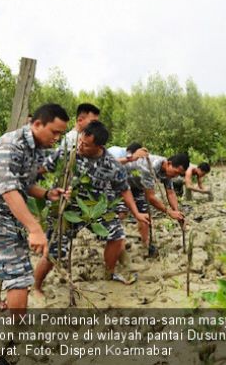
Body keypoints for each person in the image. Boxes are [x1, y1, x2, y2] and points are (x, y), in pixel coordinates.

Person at [0, 104, 70, 312]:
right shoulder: (9, 145)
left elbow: (25, 185)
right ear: (38, 124)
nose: (57, 138)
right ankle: (16, 336)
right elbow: (9, 190)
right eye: (55, 132)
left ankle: (10, 315)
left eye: (61, 133)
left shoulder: (35, 150)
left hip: (9, 219)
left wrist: (48, 194)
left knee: (19, 272)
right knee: (20, 279)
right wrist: (35, 229)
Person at [36, 121, 150, 290]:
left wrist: (137, 214)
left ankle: (109, 273)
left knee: (117, 235)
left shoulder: (111, 165)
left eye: (87, 145)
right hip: (65, 208)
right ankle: (36, 287)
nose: (81, 146)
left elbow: (125, 190)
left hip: (94, 209)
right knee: (55, 252)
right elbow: (42, 169)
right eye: (81, 140)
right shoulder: (67, 152)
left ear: (99, 146)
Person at [124, 153, 190, 251]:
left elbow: (171, 193)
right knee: (120, 213)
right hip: (122, 182)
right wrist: (169, 212)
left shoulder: (168, 172)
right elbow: (150, 197)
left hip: (138, 186)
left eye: (178, 174)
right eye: (175, 172)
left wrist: (177, 213)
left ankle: (145, 246)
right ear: (169, 163)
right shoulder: (151, 166)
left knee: (144, 215)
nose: (175, 176)